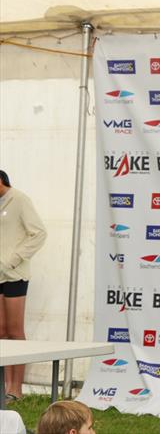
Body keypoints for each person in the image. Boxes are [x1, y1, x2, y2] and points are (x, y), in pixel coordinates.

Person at [0, 169, 47, 401]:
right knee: (1, 331)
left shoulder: (19, 199)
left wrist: (14, 258)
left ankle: (15, 390)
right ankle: (4, 388)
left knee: (15, 331)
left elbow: (38, 233)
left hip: (14, 274)